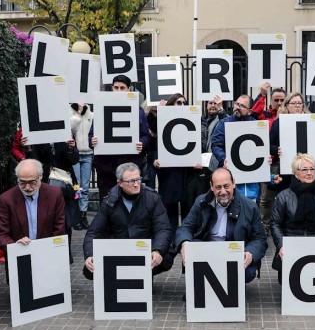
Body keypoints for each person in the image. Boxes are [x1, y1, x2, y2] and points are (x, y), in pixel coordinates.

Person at [175, 168, 268, 283]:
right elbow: (185, 227)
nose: (223, 191)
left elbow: (259, 239)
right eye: (218, 187)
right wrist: (184, 243)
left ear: (233, 183)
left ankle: (230, 287)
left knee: (248, 272)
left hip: (234, 253)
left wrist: (250, 252)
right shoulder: (201, 202)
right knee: (192, 246)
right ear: (211, 186)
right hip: (208, 251)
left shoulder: (250, 206)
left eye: (226, 186)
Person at [83, 163, 173, 279]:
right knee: (89, 270)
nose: (136, 184)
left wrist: (157, 250)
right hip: (119, 248)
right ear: (120, 183)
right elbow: (93, 232)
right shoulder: (109, 201)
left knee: (166, 258)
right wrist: (90, 254)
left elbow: (163, 228)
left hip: (144, 248)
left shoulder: (152, 198)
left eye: (138, 179)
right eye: (131, 181)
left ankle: (144, 277)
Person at [270, 154, 315, 283]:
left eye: (312, 169)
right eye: (305, 170)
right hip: (292, 248)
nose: (309, 173)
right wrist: (281, 245)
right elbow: (275, 224)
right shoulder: (283, 196)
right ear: (296, 173)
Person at [152, 93, 205, 235]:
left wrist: (199, 161)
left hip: (188, 174)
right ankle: (170, 246)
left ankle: (185, 242)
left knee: (188, 211)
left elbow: (201, 145)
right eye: (178, 103)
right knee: (170, 213)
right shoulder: (161, 121)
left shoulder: (193, 120)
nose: (181, 106)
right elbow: (153, 144)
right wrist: (156, 160)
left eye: (183, 103)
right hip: (169, 175)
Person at [91, 75, 151, 199]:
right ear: (112, 89)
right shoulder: (101, 109)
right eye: (116, 88)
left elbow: (145, 135)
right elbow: (91, 134)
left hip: (129, 165)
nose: (118, 91)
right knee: (107, 201)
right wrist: (92, 140)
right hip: (106, 166)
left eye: (122, 88)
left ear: (129, 90)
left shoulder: (138, 111)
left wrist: (142, 143)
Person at [0, 159, 65, 258]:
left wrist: (50, 250)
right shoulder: (6, 199)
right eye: (22, 182)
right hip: (19, 256)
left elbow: (59, 229)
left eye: (32, 182)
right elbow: (1, 234)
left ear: (40, 177)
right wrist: (15, 247)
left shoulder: (54, 194)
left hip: (48, 254)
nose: (27, 187)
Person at [210, 94, 261, 201]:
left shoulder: (256, 125)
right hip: (228, 172)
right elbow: (216, 145)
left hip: (250, 176)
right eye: (237, 104)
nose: (237, 107)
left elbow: (261, 148)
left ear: (250, 111)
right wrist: (224, 159)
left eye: (242, 106)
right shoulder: (223, 123)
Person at [251, 85, 286, 229]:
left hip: (288, 162)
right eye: (276, 100)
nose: (279, 103)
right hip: (270, 161)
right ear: (271, 101)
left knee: (286, 196)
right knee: (266, 197)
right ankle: (264, 226)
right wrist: (262, 95)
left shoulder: (291, 117)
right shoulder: (264, 115)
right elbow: (253, 113)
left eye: (282, 100)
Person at [70, 100, 93, 229]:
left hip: (88, 153)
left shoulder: (91, 114)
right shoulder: (70, 112)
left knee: (85, 186)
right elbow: (70, 128)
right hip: (75, 154)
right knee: (76, 185)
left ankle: (83, 215)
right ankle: (77, 216)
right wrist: (78, 113)